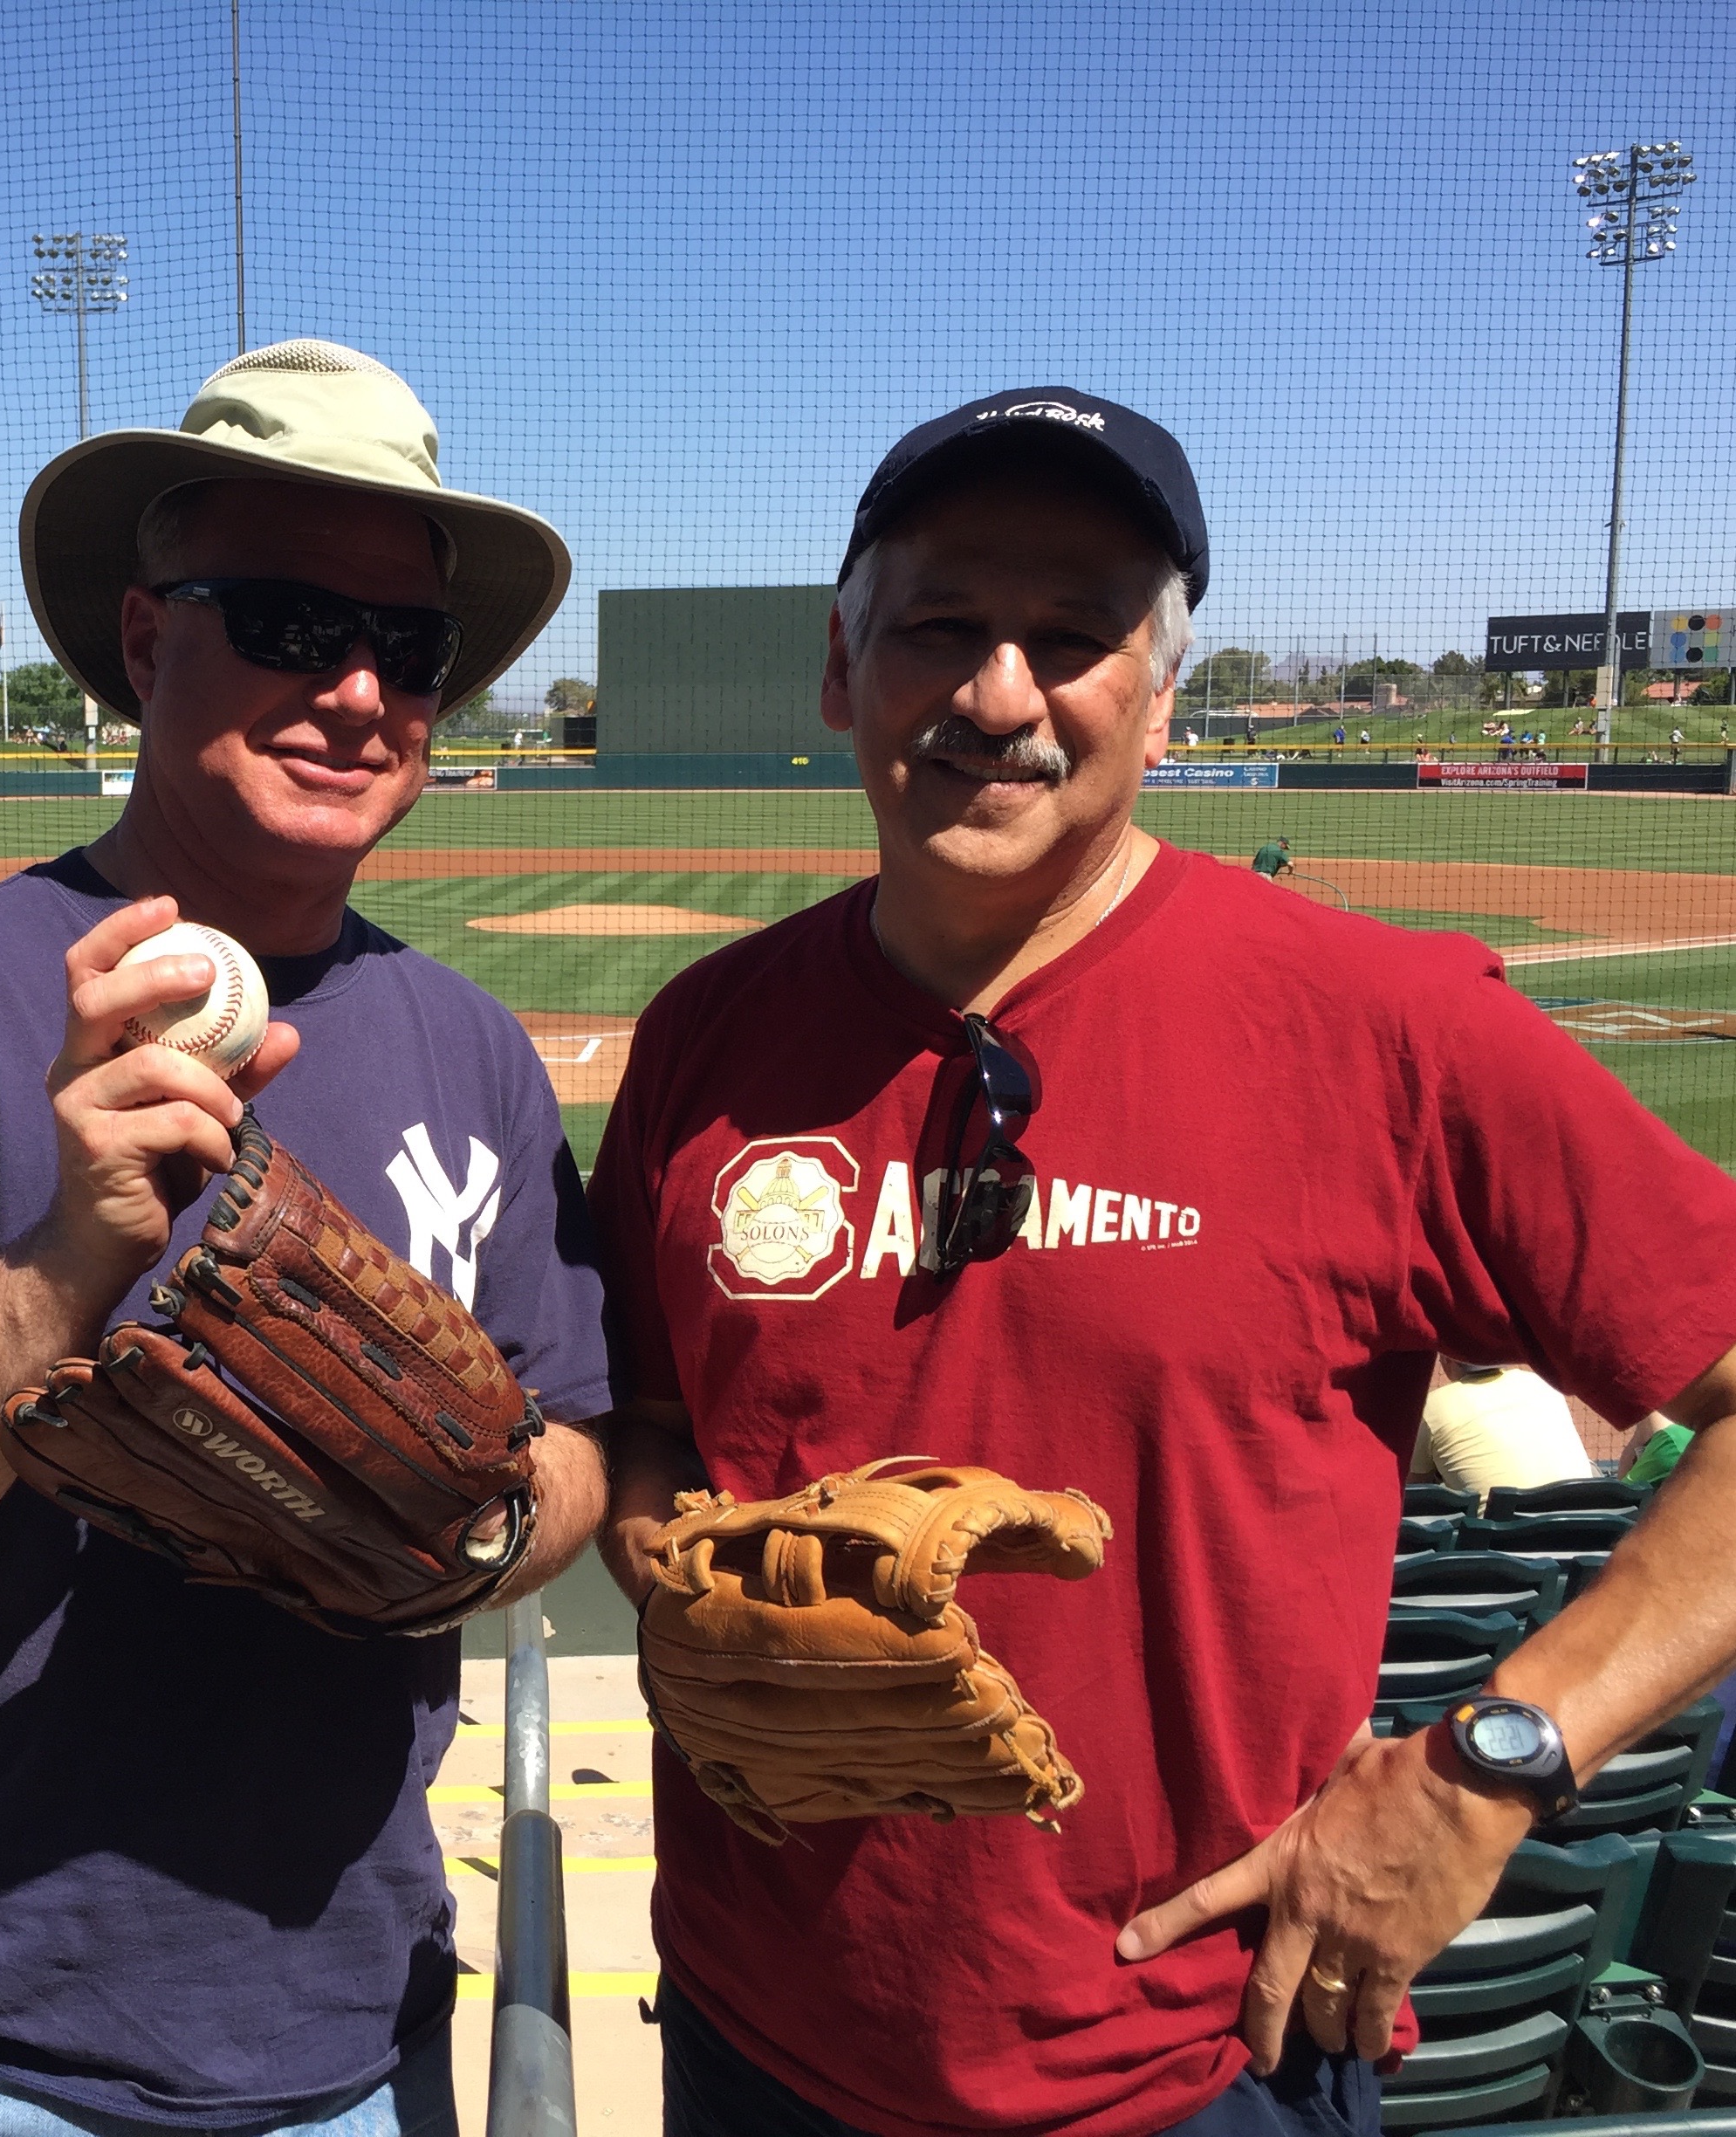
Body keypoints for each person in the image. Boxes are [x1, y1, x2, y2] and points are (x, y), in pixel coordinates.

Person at [587, 384, 1736, 2137]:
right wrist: (662, 1551)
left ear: (1157, 688)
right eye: (939, 629)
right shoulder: (702, 1040)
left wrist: (1488, 1763)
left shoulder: (1392, 1032)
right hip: (757, 2044)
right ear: (839, 670)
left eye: (1069, 637)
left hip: (1195, 2068)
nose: (995, 696)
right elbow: (650, 1420)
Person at [0, 340, 613, 2137]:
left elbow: (581, 1439)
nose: (360, 689)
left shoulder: (468, 1047)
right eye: (292, 622)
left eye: (410, 646)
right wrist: (67, 1255)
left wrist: (477, 1524)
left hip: (351, 2040)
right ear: (148, 642)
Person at [1409, 1360, 1594, 1507]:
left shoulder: (1433, 1406)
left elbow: (1415, 1492)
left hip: (1498, 1544)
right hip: (1583, 1529)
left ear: (1447, 1359)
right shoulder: (1543, 1384)